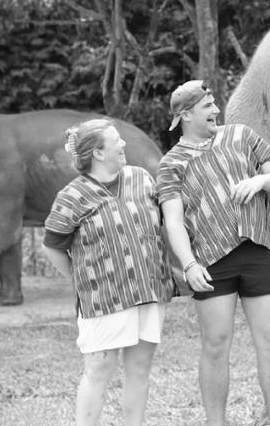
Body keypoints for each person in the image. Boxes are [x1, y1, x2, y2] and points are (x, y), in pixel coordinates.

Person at [157, 80, 270, 426]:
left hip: (259, 250)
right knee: (215, 344)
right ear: (186, 115)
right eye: (207, 106)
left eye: (214, 103)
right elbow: (173, 221)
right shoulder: (171, 164)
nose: (216, 110)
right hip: (210, 260)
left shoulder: (242, 136)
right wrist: (188, 264)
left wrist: (260, 181)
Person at [42, 119, 173, 426]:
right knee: (98, 370)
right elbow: (52, 246)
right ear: (98, 153)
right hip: (103, 300)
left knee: (140, 369)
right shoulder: (72, 196)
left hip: (149, 290)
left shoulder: (141, 178)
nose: (123, 144)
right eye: (117, 140)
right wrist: (80, 279)